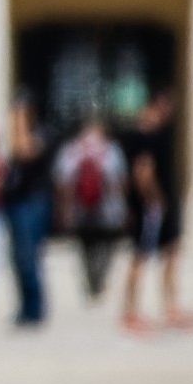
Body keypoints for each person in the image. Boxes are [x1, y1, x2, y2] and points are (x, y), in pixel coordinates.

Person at [117, 84, 193, 334]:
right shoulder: (146, 136)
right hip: (150, 207)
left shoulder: (154, 134)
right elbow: (143, 172)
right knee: (140, 257)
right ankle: (130, 312)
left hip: (157, 205)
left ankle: (170, 306)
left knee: (170, 253)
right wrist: (156, 199)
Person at [56, 112, 126, 302]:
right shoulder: (111, 149)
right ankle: (98, 280)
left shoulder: (72, 149)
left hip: (81, 210)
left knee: (86, 247)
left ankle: (92, 280)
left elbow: (63, 182)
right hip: (108, 210)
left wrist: (64, 209)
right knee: (105, 245)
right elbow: (120, 180)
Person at [0, 96, 53, 328]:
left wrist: (18, 123)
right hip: (15, 203)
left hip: (33, 202)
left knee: (30, 256)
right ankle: (25, 307)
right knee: (18, 257)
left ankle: (35, 307)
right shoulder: (10, 135)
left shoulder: (41, 133)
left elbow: (23, 151)